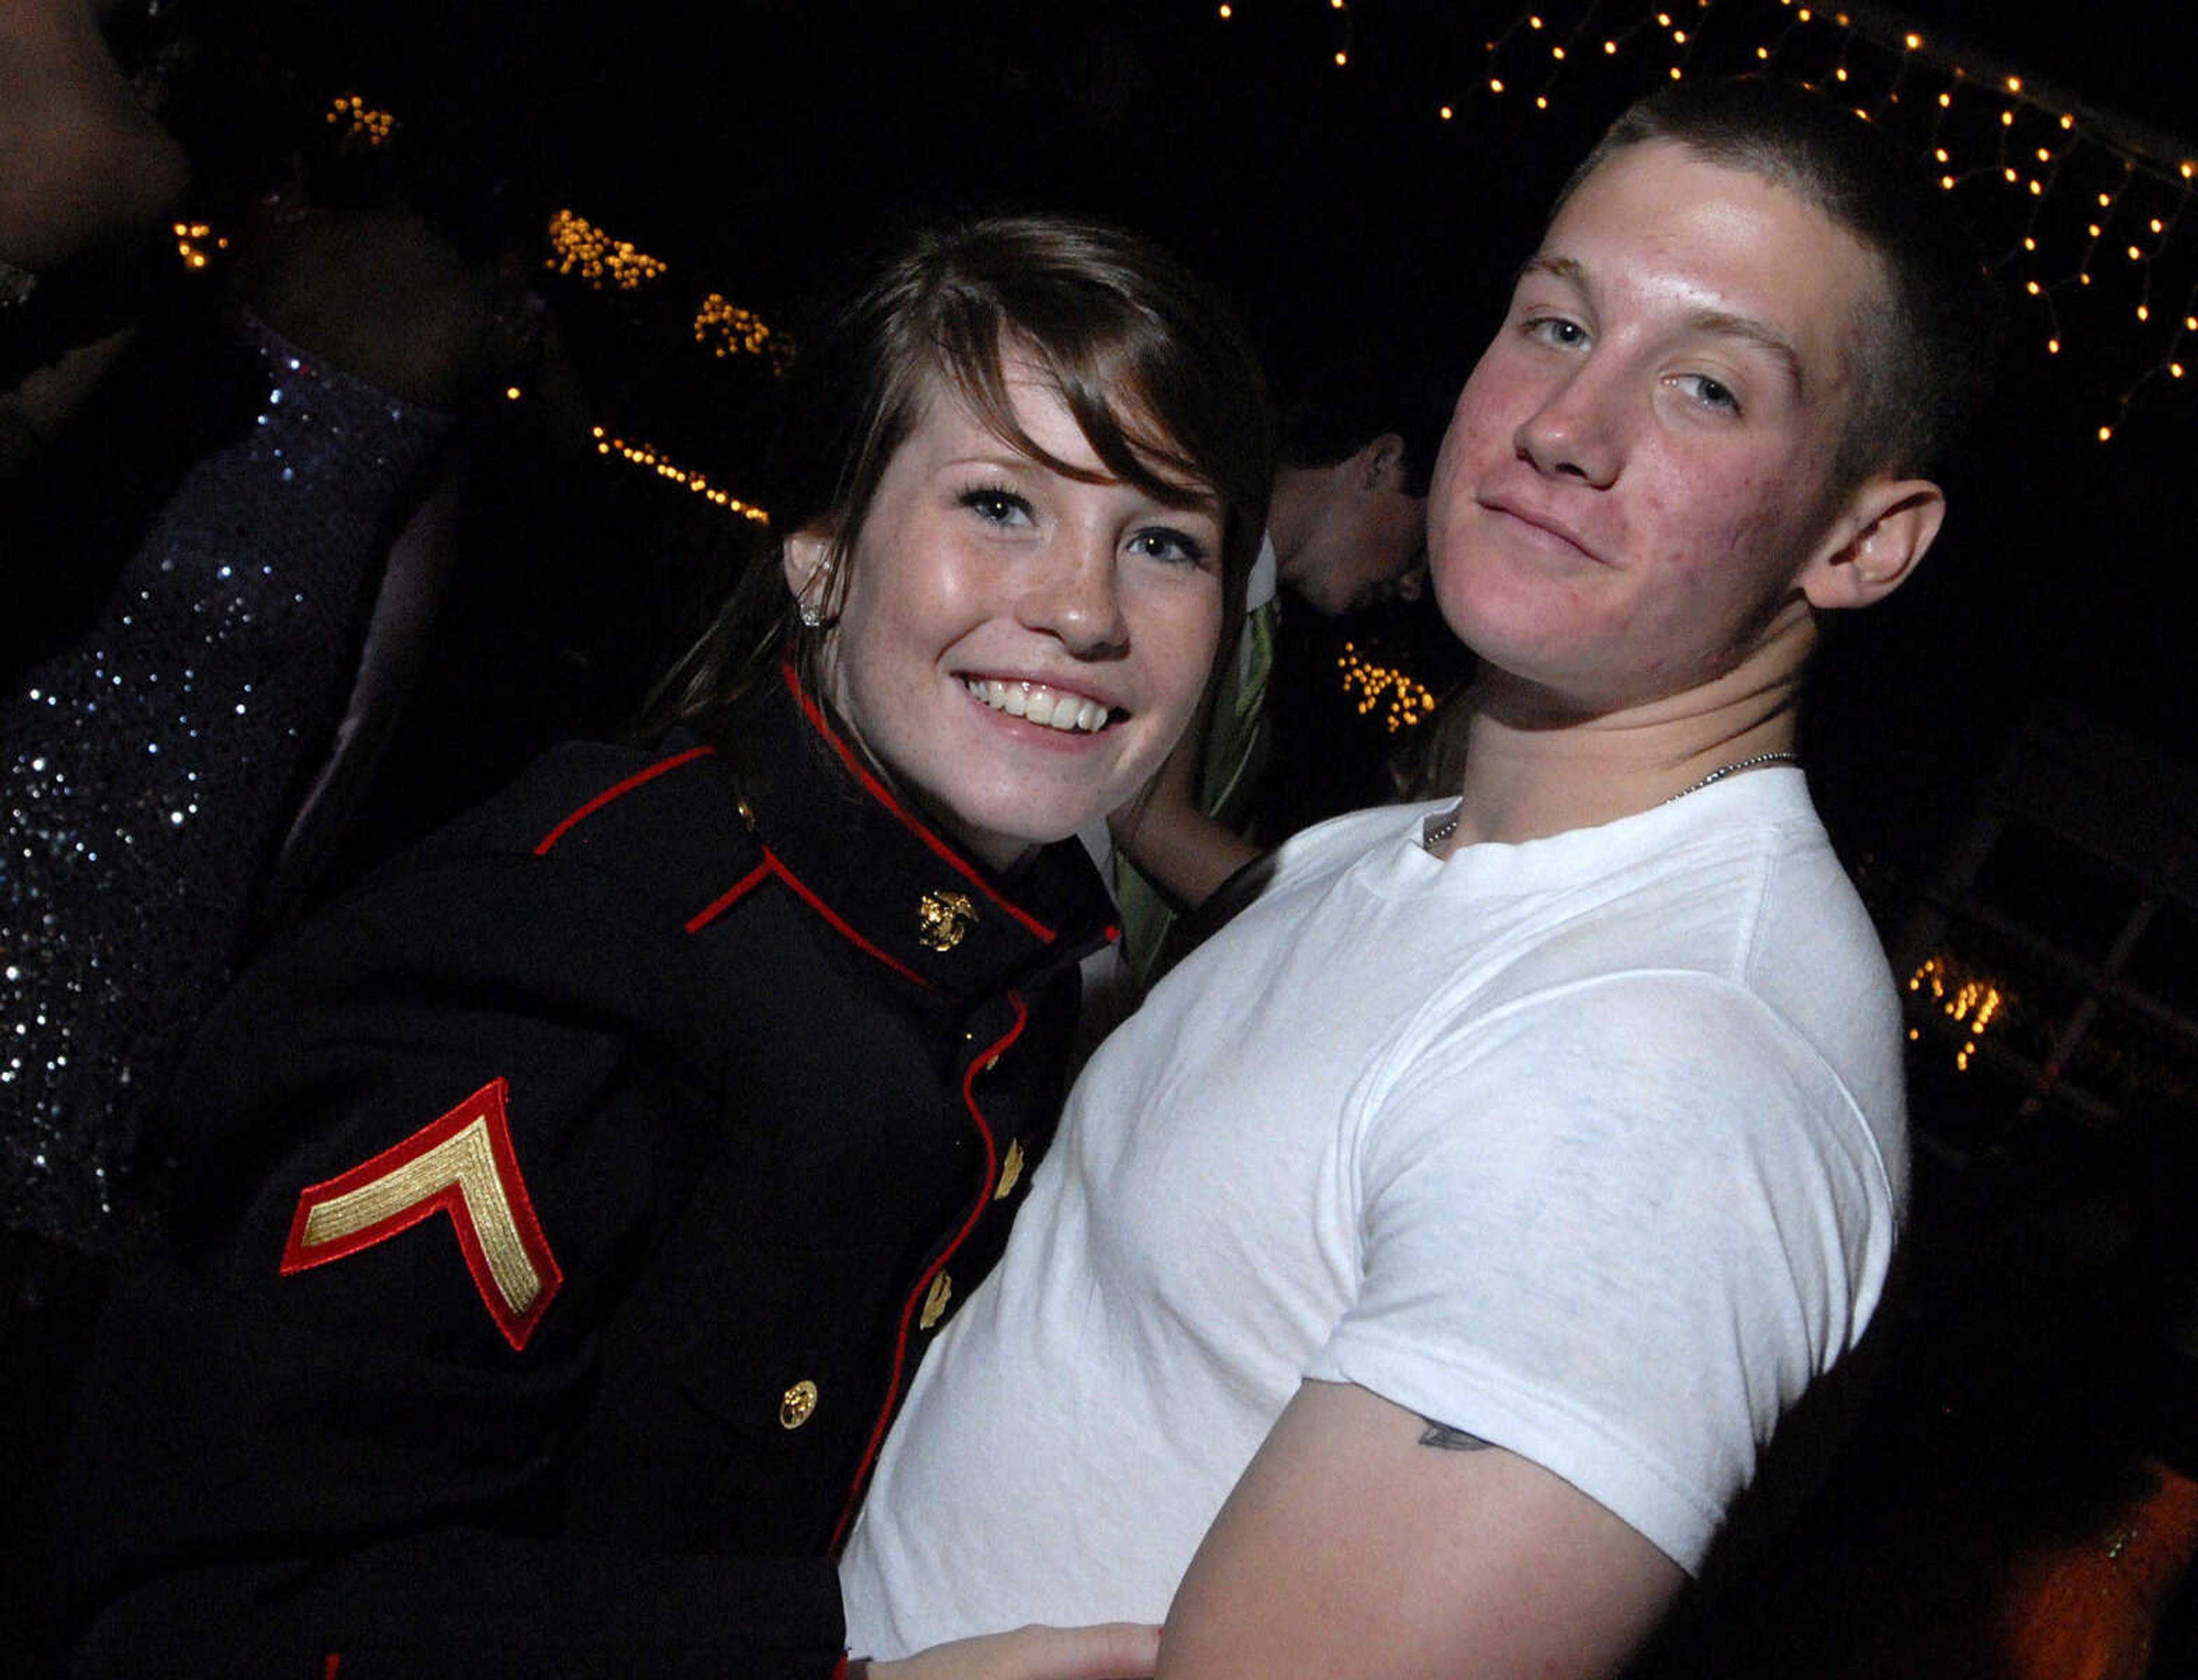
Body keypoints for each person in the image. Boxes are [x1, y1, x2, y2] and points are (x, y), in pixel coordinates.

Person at [840, 78, 1998, 1678]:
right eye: (1555, 322)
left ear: (1863, 542)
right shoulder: (1372, 855)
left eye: (1710, 390)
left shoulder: (1675, 1065)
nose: (1564, 428)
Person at [48, 211, 1272, 1678]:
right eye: (999, 505)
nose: (1084, 609)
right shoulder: (569, 957)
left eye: (1161, 541)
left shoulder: (988, 989)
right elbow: (203, 1622)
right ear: (822, 555)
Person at [1104, 355, 1438, 982]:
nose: (1415, 584)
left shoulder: (1257, 602)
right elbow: (1145, 815)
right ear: (1381, 463)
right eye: (1422, 543)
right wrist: (1364, 941)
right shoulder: (1213, 560)